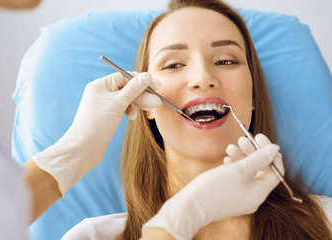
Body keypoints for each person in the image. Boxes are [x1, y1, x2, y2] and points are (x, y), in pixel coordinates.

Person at [60, 0, 332, 239]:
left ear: (253, 97)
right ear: (145, 103)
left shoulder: (326, 220)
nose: (203, 78)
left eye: (226, 61)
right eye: (174, 65)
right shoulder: (92, 237)